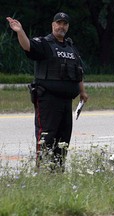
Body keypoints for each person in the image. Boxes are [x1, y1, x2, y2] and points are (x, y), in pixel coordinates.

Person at [7, 12, 88, 171]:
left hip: (66, 101)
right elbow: (27, 46)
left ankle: (58, 171)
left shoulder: (71, 48)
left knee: (63, 137)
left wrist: (82, 92)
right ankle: (43, 170)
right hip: (48, 100)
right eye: (58, 23)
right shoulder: (44, 43)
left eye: (64, 24)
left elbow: (78, 72)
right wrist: (19, 31)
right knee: (47, 137)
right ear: (53, 25)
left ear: (68, 27)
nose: (61, 26)